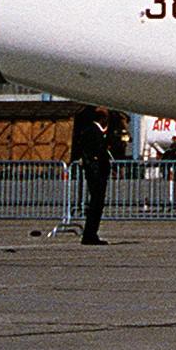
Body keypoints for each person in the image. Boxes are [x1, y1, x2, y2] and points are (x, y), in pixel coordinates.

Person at [68, 105, 118, 246]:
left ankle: (91, 233)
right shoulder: (91, 131)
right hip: (95, 170)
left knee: (97, 204)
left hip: (98, 169)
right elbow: (93, 152)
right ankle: (89, 234)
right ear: (102, 119)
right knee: (95, 203)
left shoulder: (95, 131)